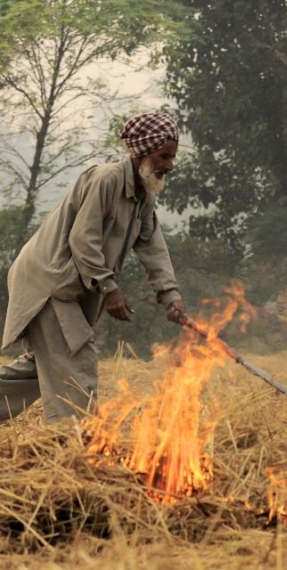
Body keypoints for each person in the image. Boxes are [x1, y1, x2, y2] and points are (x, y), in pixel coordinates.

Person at [0, 112, 188, 423]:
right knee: (77, 357)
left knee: (43, 368)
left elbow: (153, 246)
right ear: (141, 152)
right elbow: (82, 239)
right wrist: (109, 288)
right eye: (163, 156)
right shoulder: (106, 179)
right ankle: (73, 442)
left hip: (66, 286)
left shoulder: (145, 192)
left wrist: (171, 296)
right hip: (50, 282)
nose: (170, 165)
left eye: (172, 157)